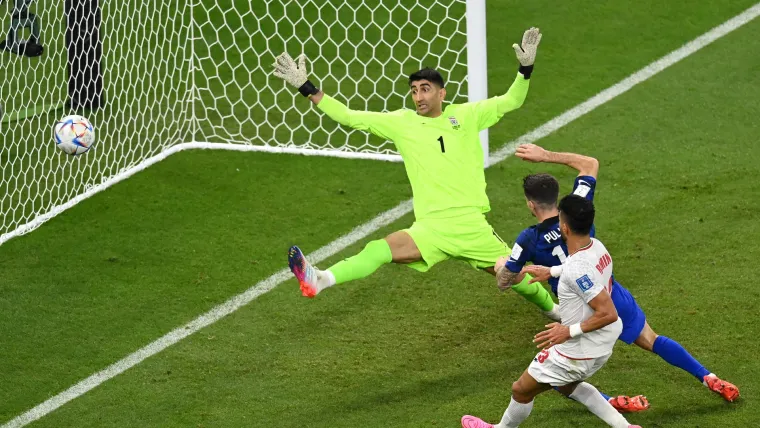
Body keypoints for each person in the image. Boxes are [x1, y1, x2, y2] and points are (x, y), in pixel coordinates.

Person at [272, 28, 558, 320]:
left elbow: (512, 100)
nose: (418, 97)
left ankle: (556, 312)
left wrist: (525, 68)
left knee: (515, 276)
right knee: (378, 250)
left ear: (441, 93)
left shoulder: (467, 115)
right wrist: (306, 86)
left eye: (425, 89)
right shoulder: (402, 123)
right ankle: (321, 280)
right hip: (430, 229)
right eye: (413, 91)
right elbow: (349, 116)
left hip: (471, 226)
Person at [511, 144, 739, 403]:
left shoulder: (530, 238)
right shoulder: (584, 217)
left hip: (579, 311)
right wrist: (546, 156)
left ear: (532, 205)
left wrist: (504, 268)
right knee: (653, 340)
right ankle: (707, 376)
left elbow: (509, 277)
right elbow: (589, 163)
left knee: (551, 371)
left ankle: (609, 402)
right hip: (611, 294)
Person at [462, 195, 641, 428]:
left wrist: (568, 331)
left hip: (580, 348)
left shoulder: (577, 268)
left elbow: (608, 312)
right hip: (603, 341)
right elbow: (580, 268)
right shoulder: (597, 247)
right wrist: (553, 271)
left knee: (521, 389)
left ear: (564, 227)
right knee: (568, 385)